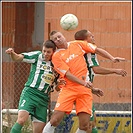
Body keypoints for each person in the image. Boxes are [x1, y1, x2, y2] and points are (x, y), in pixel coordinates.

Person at [42, 31, 126, 133]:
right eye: (55, 39)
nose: (58, 39)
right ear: (54, 43)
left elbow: (97, 50)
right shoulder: (56, 56)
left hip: (84, 91)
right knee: (55, 120)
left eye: (59, 36)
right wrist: (84, 83)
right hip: (69, 89)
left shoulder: (77, 44)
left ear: (63, 36)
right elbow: (68, 74)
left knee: (85, 125)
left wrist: (112, 58)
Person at [74, 29, 127, 133]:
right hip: (81, 90)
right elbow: (96, 69)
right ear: (85, 41)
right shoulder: (88, 51)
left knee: (90, 122)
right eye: (90, 36)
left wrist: (92, 89)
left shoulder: (79, 51)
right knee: (88, 124)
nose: (93, 37)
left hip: (82, 88)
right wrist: (115, 71)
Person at [5, 40, 58, 133]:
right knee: (21, 120)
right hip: (30, 93)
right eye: (44, 51)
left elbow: (57, 87)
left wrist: (59, 84)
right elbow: (18, 58)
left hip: (43, 98)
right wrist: (12, 53)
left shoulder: (57, 64)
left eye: (48, 52)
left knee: (38, 130)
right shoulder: (37, 56)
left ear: (53, 51)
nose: (45, 54)